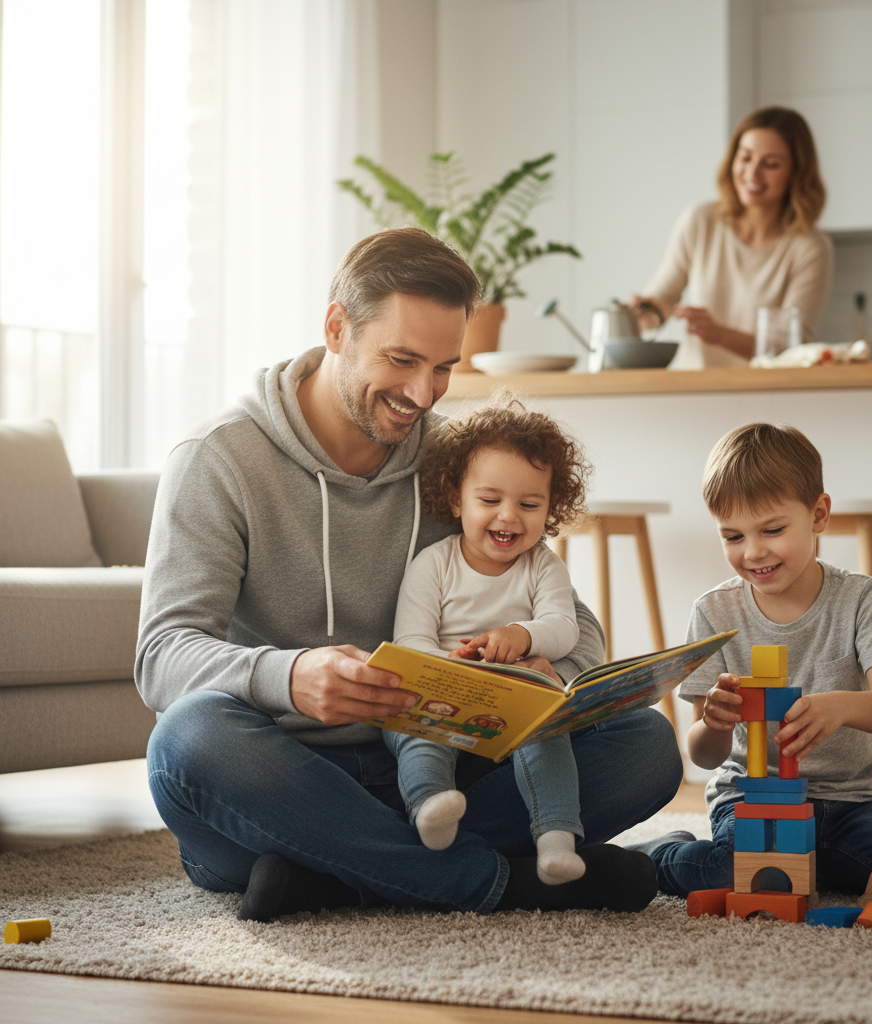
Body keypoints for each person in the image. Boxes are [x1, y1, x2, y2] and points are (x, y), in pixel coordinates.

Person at [136, 226, 680, 923]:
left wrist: (548, 663)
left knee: (645, 745)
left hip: (443, 769)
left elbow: (579, 629)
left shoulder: (453, 462)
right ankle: (499, 882)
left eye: (445, 367)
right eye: (402, 359)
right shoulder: (219, 460)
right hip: (288, 778)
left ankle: (343, 877)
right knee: (188, 740)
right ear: (337, 328)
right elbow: (162, 658)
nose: (424, 393)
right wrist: (290, 676)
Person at [629, 423, 872, 898]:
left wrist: (840, 707)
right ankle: (661, 853)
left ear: (819, 514)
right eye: (732, 536)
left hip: (851, 804)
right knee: (742, 880)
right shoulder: (713, 611)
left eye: (772, 530)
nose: (753, 552)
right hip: (751, 800)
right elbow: (704, 755)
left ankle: (813, 863)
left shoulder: (859, 597)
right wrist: (714, 722)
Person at [385, 397, 591, 885]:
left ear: (551, 508)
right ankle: (431, 804)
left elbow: (565, 627)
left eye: (529, 504)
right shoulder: (433, 564)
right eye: (489, 499)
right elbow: (410, 643)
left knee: (549, 732)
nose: (508, 517)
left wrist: (521, 636)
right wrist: (452, 666)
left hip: (515, 702)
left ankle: (556, 840)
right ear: (457, 499)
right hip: (439, 694)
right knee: (414, 732)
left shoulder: (543, 565)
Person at [629, 107, 834, 360]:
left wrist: (718, 335)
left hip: (768, 396)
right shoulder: (701, 221)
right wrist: (638, 314)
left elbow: (790, 348)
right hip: (694, 389)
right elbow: (662, 300)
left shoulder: (810, 248)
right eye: (745, 158)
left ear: (797, 173)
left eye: (770, 164)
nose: (752, 173)